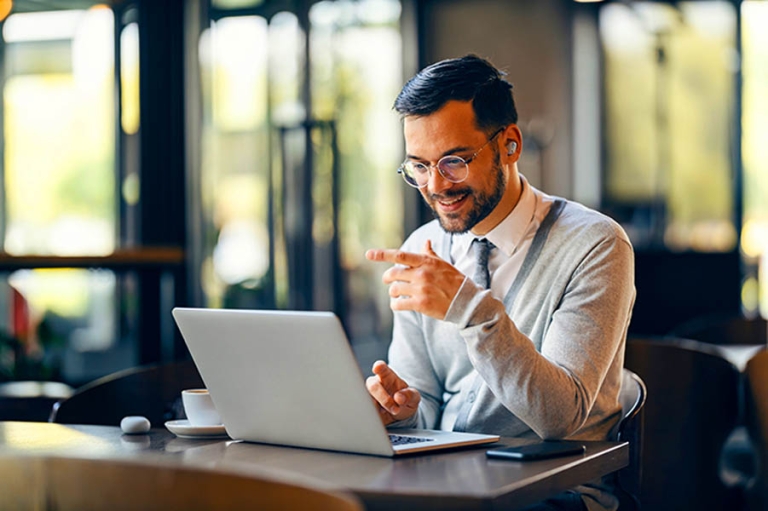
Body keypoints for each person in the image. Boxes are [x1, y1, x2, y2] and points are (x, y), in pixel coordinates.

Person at [364, 54, 635, 511]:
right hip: (447, 482)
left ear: (509, 144)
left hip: (554, 491)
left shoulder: (596, 244)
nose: (436, 186)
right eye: (419, 167)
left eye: (453, 161)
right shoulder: (423, 245)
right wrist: (402, 409)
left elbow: (560, 417)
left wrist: (471, 310)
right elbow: (424, 401)